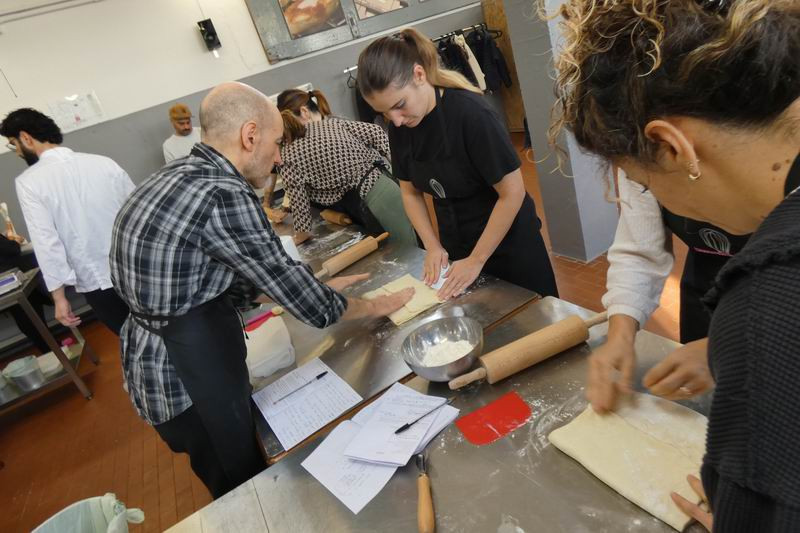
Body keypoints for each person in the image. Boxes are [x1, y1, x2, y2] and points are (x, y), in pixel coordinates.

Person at [545, 0, 800, 530]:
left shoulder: (767, 308)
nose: (644, 196)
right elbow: (638, 245)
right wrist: (623, 332)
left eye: (640, 181)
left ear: (671, 146)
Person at [110, 81, 413, 499]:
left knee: (231, 481)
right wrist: (373, 305)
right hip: (187, 381)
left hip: (152, 369)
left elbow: (208, 284)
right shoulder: (224, 193)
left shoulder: (171, 178)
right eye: (274, 143)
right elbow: (312, 307)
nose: (278, 157)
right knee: (247, 493)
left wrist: (313, 283)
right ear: (249, 135)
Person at [357, 28, 558, 301]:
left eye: (400, 105)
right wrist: (432, 245)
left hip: (509, 245)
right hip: (458, 243)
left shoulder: (472, 116)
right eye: (384, 113)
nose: (396, 120)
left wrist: (477, 259)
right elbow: (409, 192)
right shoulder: (400, 129)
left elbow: (512, 193)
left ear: (419, 75)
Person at [588, 170, 748, 413]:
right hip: (707, 286)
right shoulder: (637, 148)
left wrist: (727, 347)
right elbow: (641, 249)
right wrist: (621, 332)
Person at [1, 108, 133, 335]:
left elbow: (46, 241)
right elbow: (139, 212)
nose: (17, 152)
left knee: (134, 343)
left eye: (14, 144)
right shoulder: (103, 163)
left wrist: (58, 296)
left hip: (98, 281)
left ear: (26, 138)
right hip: (139, 268)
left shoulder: (29, 182)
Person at [276, 88, 418, 248]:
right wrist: (400, 169)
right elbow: (376, 132)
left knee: (409, 251)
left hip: (377, 199)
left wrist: (299, 236)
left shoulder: (287, 154)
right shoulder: (330, 123)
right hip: (389, 181)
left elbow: (298, 202)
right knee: (417, 243)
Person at [0, 233, 54, 353]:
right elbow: (12, 249)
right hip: (13, 282)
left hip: (6, 288)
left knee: (23, 319)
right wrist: (15, 241)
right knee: (32, 319)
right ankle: (52, 349)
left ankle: (49, 349)